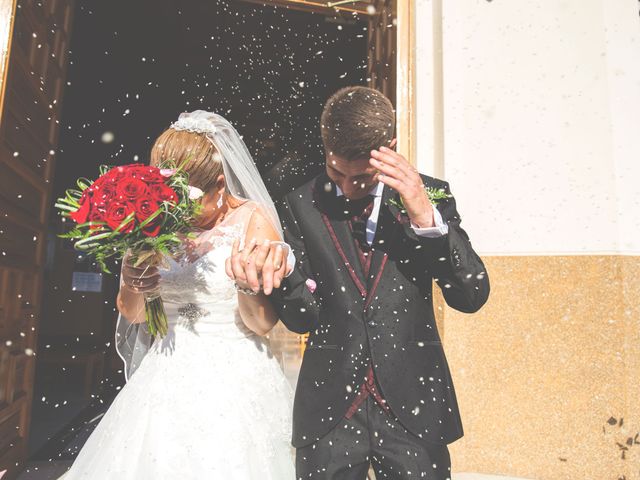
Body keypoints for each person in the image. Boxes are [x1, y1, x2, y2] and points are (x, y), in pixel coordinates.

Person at [269, 86, 491, 479]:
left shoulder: (429, 194)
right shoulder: (299, 204)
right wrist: (283, 274)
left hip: (414, 408)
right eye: (337, 172)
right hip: (330, 412)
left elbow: (471, 294)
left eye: (364, 176)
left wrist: (425, 218)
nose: (349, 186)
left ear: (390, 146)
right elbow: (302, 319)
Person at [62, 111, 296, 479]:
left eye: (190, 202)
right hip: (164, 374)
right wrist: (133, 282)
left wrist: (243, 286)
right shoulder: (154, 217)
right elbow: (134, 314)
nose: (180, 213)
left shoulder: (253, 219)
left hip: (237, 379)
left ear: (221, 185)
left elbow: (263, 324)